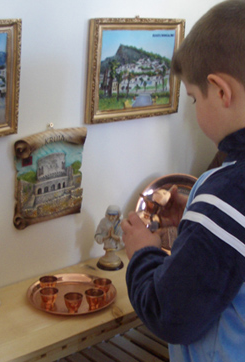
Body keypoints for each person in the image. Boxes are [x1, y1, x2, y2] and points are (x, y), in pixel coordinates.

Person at [120, 1, 245, 360]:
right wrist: (193, 217)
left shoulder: (227, 193)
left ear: (221, 91)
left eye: (192, 99)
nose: (194, 109)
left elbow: (170, 313)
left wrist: (142, 251)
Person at [95, 205, 124, 270]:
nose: (111, 218)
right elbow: (97, 235)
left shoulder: (120, 224)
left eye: (113, 215)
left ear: (118, 215)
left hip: (114, 245)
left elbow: (124, 238)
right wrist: (106, 236)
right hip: (107, 244)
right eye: (109, 215)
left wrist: (114, 236)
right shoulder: (103, 222)